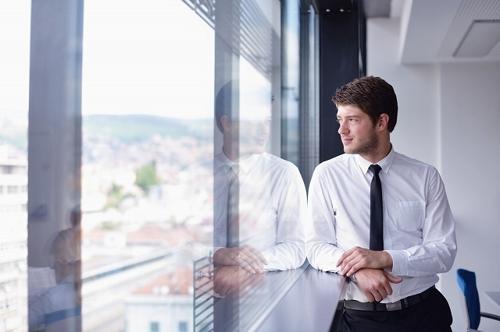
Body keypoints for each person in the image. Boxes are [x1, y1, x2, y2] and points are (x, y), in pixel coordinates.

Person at [307, 76, 457, 332]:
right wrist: (357, 270)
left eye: (352, 120)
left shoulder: (425, 176)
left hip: (422, 316)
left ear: (381, 122)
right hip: (355, 320)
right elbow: (315, 246)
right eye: (340, 120)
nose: (342, 130)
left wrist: (385, 259)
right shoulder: (327, 174)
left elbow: (444, 252)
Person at [212, 81, 307, 272]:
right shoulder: (201, 174)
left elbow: (297, 247)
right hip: (203, 290)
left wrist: (246, 263)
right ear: (227, 123)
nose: (264, 130)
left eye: (267, 121)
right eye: (255, 121)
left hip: (263, 291)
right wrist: (218, 254)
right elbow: (180, 245)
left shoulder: (284, 173)